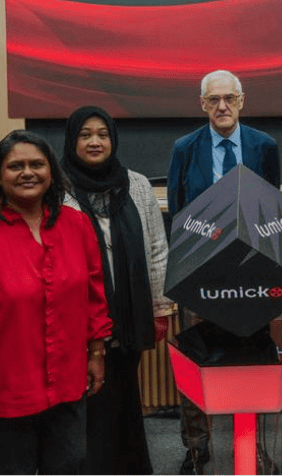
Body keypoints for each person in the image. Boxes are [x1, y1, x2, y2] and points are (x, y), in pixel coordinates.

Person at [0, 130, 112, 474]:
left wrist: (97, 354)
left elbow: (94, 298)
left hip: (67, 387)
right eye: (16, 166)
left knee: (71, 467)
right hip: (5, 396)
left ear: (51, 173)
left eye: (37, 164)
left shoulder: (77, 225)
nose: (27, 172)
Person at [167, 69, 280, 474]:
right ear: (202, 104)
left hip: (252, 277)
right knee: (195, 362)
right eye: (213, 100)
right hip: (200, 275)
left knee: (251, 360)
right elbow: (179, 214)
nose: (222, 107)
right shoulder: (185, 148)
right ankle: (197, 448)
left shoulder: (264, 146)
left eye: (229, 98)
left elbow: (274, 211)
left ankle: (252, 448)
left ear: (242, 101)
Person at [61, 106, 173, 474]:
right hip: (79, 317)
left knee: (123, 393)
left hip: (129, 311)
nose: (95, 141)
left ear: (113, 139)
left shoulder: (137, 184)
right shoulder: (57, 187)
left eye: (102, 134)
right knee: (89, 399)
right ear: (72, 140)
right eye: (85, 134)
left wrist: (161, 307)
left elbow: (156, 248)